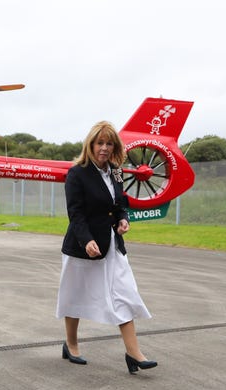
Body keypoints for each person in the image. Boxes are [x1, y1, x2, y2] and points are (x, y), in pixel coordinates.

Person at [56, 120, 157, 374]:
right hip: (83, 245)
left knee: (124, 292)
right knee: (75, 294)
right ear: (90, 145)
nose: (104, 148)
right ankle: (71, 344)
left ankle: (134, 353)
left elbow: (120, 202)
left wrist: (123, 219)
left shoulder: (116, 171)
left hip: (112, 244)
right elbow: (75, 213)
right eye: (99, 143)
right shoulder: (77, 173)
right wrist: (86, 239)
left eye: (109, 143)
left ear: (115, 146)